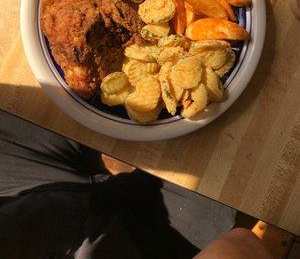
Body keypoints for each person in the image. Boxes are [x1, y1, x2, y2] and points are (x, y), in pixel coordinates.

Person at [0, 110, 273, 259]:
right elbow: (243, 248)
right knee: (227, 144)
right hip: (134, 242)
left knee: (41, 99)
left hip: (21, 206)